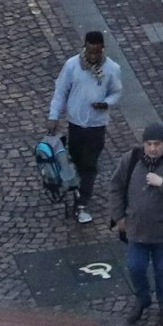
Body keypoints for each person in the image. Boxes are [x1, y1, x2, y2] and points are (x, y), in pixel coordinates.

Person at [111, 122, 163, 326]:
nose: (153, 148)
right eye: (149, 144)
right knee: (135, 267)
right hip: (136, 228)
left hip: (162, 231)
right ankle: (142, 299)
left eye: (157, 144)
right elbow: (116, 186)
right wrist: (118, 216)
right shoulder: (130, 160)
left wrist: (162, 183)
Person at [46, 30, 122, 223]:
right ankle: (76, 191)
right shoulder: (72, 66)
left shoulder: (112, 69)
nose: (93, 56)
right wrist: (53, 116)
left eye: (97, 52)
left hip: (97, 126)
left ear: (102, 49)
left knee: (89, 165)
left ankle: (82, 203)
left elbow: (116, 92)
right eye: (90, 52)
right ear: (85, 48)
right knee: (76, 161)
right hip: (76, 124)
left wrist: (106, 103)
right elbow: (61, 92)